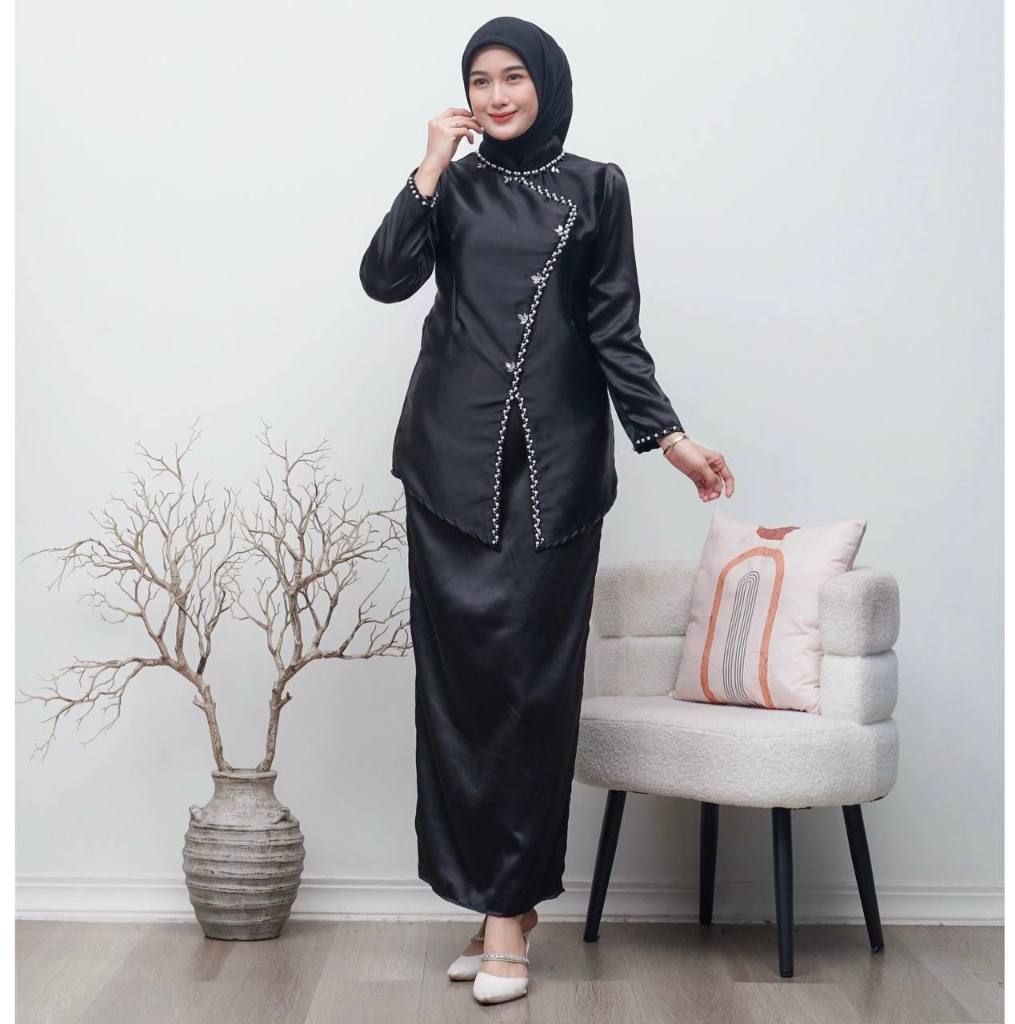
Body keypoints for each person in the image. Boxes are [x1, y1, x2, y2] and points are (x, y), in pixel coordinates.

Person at [359, 16, 734, 1005]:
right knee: (460, 692)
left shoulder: (596, 186)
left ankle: (505, 914)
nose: (495, 96)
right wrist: (427, 168)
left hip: (554, 472)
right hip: (447, 466)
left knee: (530, 688)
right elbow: (384, 280)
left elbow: (613, 325)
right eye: (478, 80)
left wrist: (667, 437)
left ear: (546, 83)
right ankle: (499, 905)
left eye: (512, 76)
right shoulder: (450, 187)